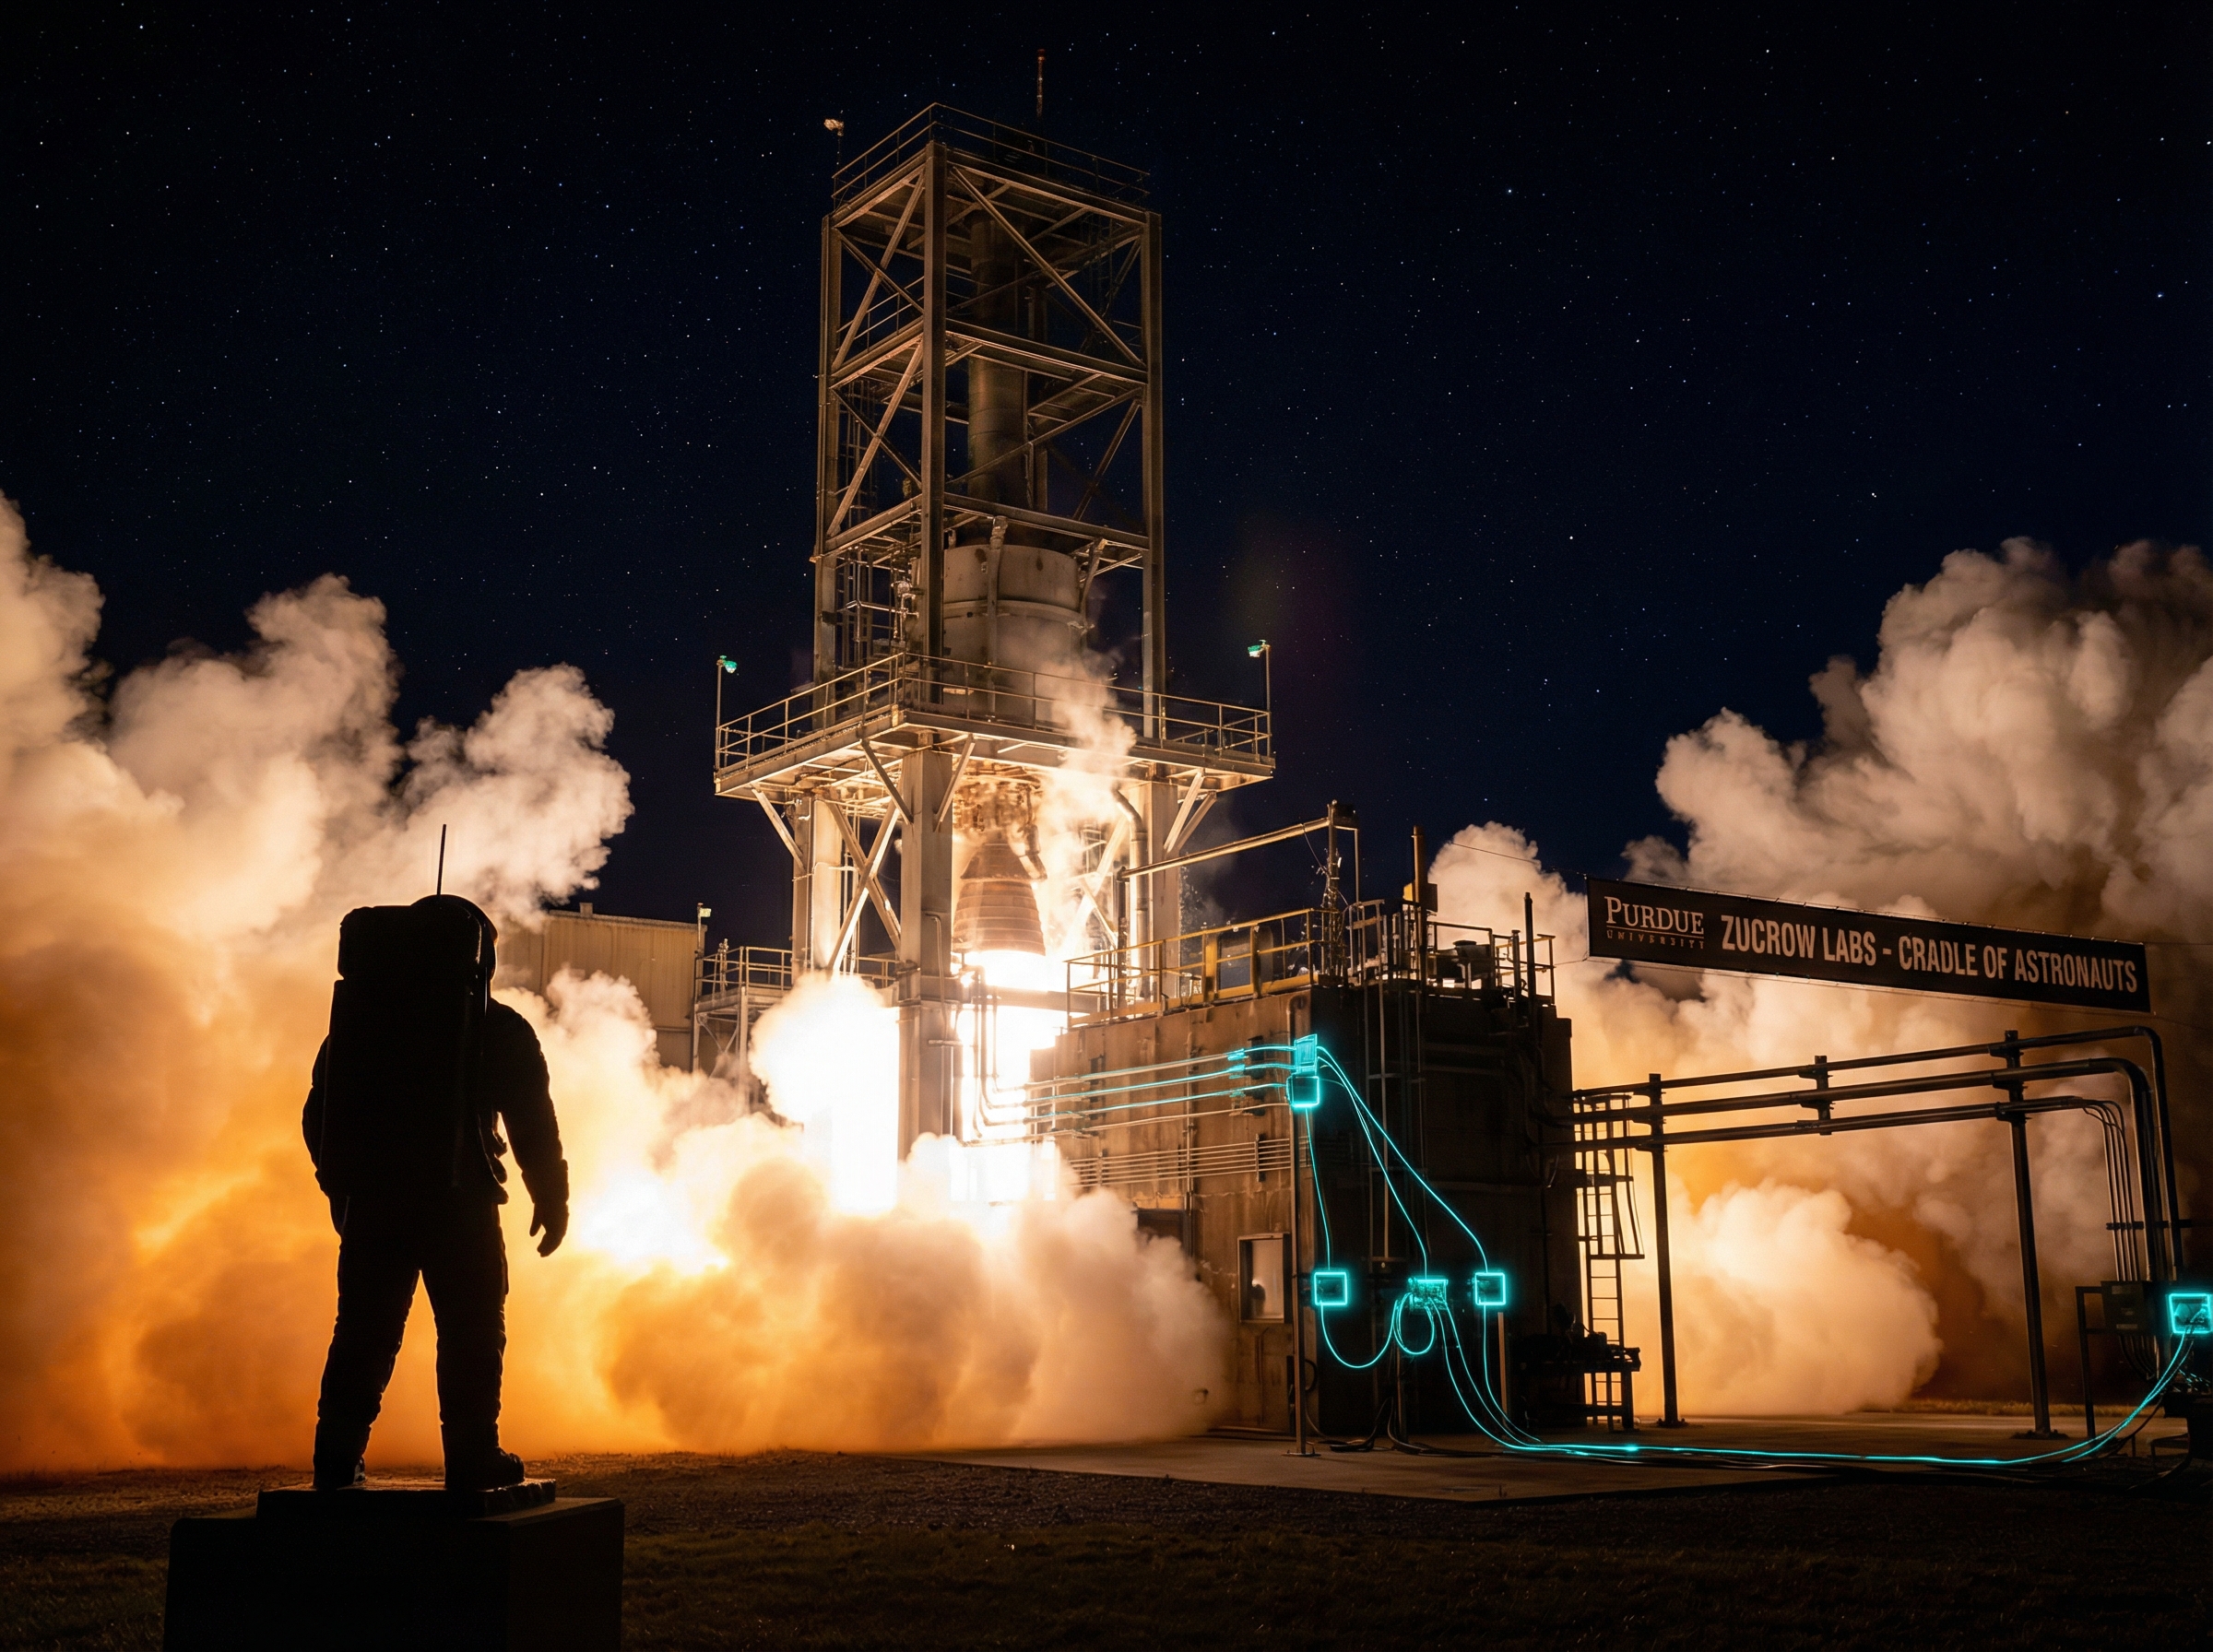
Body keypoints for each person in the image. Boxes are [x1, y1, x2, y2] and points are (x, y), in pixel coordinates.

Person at [302, 893, 569, 1492]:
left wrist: (341, 1189)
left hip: (374, 1208)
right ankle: (473, 1456)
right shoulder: (496, 1028)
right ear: (481, 958)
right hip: (462, 1207)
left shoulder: (356, 1031)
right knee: (472, 1329)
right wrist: (552, 1199)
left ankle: (334, 1458)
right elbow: (532, 1125)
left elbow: (319, 1115)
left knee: (363, 1333)